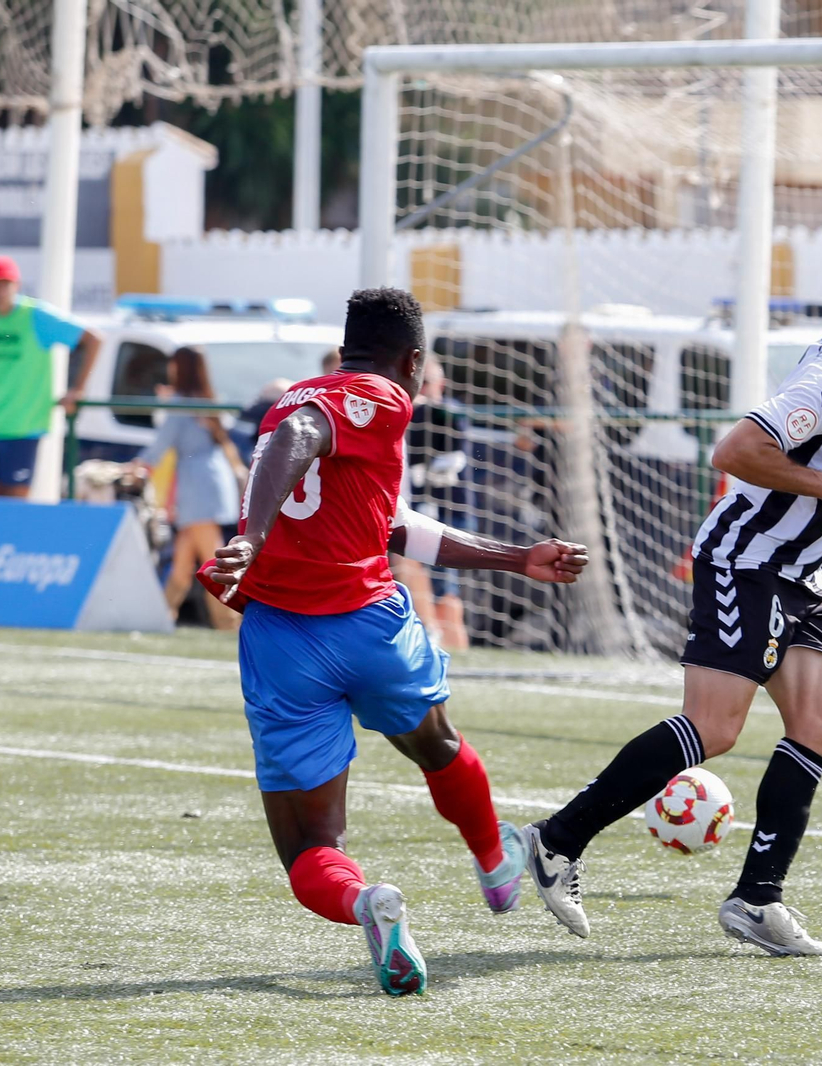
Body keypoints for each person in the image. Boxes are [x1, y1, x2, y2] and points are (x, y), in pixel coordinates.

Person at [516, 259, 822, 957]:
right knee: (714, 727)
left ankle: (757, 899)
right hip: (747, 560)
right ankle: (557, 839)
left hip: (802, 574)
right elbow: (732, 451)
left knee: (821, 725)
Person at [199, 288, 589, 996]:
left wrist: (515, 557)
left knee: (311, 847)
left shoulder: (290, 399)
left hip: (283, 641)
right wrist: (251, 537)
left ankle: (367, 902)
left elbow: (394, 524)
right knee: (437, 744)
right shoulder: (376, 395)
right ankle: (493, 859)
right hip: (368, 625)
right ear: (412, 361)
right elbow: (303, 434)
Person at [128, 347, 247, 630]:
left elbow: (163, 442)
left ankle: (230, 623)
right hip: (209, 480)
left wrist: (137, 465)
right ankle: (161, 617)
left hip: (198, 484)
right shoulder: (205, 398)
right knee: (183, 561)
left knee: (212, 560)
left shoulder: (181, 402)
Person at [0, 255, 101, 497]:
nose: (0, 291)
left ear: (17, 285)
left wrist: (77, 388)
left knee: (15, 503)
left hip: (24, 427)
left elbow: (93, 339)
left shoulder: (35, 316)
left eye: (5, 284)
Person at [407, 355, 473, 648]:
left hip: (450, 511)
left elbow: (452, 422)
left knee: (445, 583)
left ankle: (453, 645)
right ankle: (432, 637)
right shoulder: (407, 413)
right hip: (418, 508)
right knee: (418, 577)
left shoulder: (449, 411)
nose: (420, 389)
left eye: (427, 383)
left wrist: (424, 404)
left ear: (441, 384)